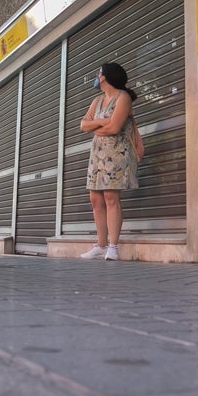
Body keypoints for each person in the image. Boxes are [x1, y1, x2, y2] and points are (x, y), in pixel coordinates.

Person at [78, 62, 143, 261]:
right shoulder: (97, 101)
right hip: (97, 155)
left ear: (105, 76)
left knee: (110, 198)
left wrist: (96, 126)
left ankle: (113, 247)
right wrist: (102, 122)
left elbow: (114, 128)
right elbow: (82, 124)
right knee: (95, 199)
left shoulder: (123, 98)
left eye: (98, 73)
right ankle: (100, 245)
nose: (97, 77)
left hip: (117, 154)